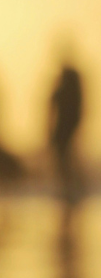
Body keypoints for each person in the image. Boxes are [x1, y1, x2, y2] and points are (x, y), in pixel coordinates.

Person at [49, 60, 84, 209]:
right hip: (64, 130)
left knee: (65, 161)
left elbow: (52, 105)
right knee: (66, 161)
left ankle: (70, 190)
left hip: (64, 131)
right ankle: (70, 190)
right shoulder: (70, 89)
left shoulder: (66, 89)